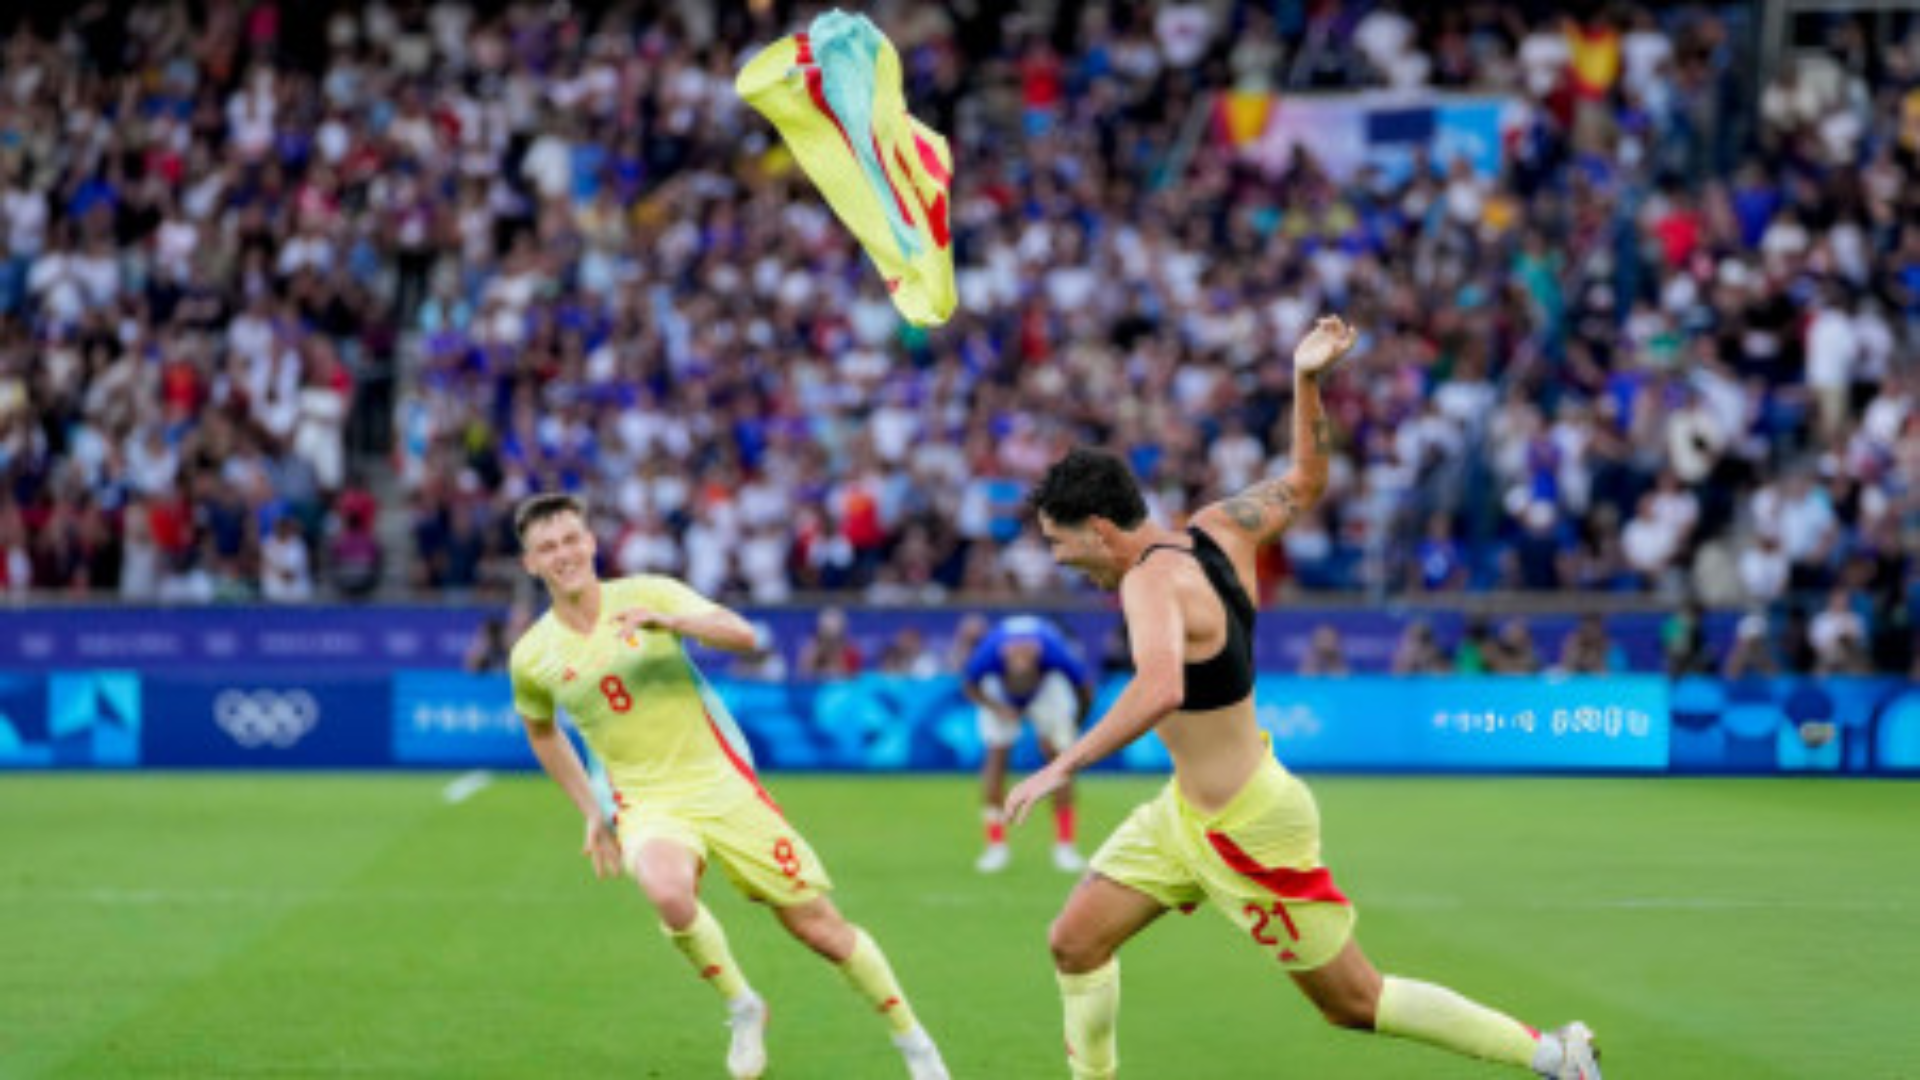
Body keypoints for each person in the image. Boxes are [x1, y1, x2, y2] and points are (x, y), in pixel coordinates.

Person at [1005, 317, 1601, 1080]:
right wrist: (1307, 379)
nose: (1060, 560)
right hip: (1186, 814)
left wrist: (1063, 765)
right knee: (1075, 940)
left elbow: (1160, 687)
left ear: (1097, 527)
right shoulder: (1218, 528)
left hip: (1245, 827)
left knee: (1353, 1000)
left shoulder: (1150, 579)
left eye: (1060, 543)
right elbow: (1308, 481)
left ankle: (1556, 1057)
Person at [506, 494, 949, 1080]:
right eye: (547, 547)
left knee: (820, 928)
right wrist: (591, 809)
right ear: (530, 563)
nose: (562, 554)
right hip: (646, 800)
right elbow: (541, 732)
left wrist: (676, 622)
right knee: (667, 892)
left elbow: (743, 635)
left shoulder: (650, 592)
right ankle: (743, 1006)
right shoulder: (532, 655)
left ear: (590, 543)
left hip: (720, 783)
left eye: (570, 540)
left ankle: (915, 1045)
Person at [960, 614, 1094, 874]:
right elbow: (970, 687)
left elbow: (1085, 690)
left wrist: (1074, 726)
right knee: (996, 761)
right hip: (998, 694)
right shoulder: (986, 658)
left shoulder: (1056, 656)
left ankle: (1065, 847)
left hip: (1047, 692)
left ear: (1037, 666)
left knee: (1062, 765)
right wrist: (998, 708)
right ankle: (995, 846)